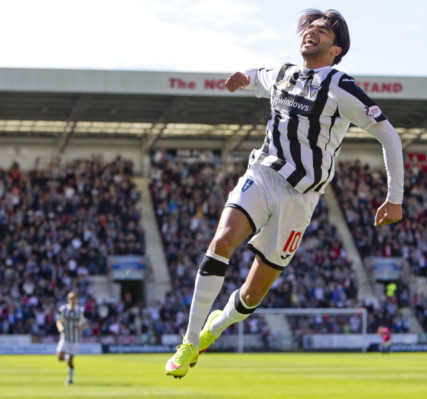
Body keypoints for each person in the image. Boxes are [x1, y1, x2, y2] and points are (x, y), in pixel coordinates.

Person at [165, 8, 404, 378]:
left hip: (301, 197)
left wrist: (395, 197)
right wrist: (242, 78)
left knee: (252, 295)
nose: (311, 32)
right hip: (263, 174)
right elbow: (254, 76)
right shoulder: (283, 72)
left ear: (336, 49)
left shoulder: (341, 87)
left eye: (322, 30)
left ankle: (215, 327)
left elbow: (389, 134)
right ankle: (189, 341)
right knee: (222, 241)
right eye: (309, 26)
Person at [56, 291, 88, 386]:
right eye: (71, 299)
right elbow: (59, 321)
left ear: (77, 300)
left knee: (71, 360)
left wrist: (81, 327)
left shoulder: (80, 311)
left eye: (75, 298)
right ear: (68, 300)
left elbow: (85, 324)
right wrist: (60, 327)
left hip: (75, 339)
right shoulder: (64, 309)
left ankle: (70, 379)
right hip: (65, 337)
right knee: (59, 356)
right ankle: (67, 358)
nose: (73, 301)